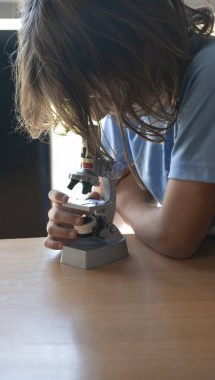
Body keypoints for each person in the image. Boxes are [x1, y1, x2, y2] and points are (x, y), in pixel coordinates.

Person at [15, 0, 215, 259]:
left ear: (138, 44)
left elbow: (173, 236)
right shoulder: (129, 97)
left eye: (100, 96)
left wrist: (128, 199)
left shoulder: (208, 76)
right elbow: (117, 211)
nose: (98, 114)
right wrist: (82, 223)